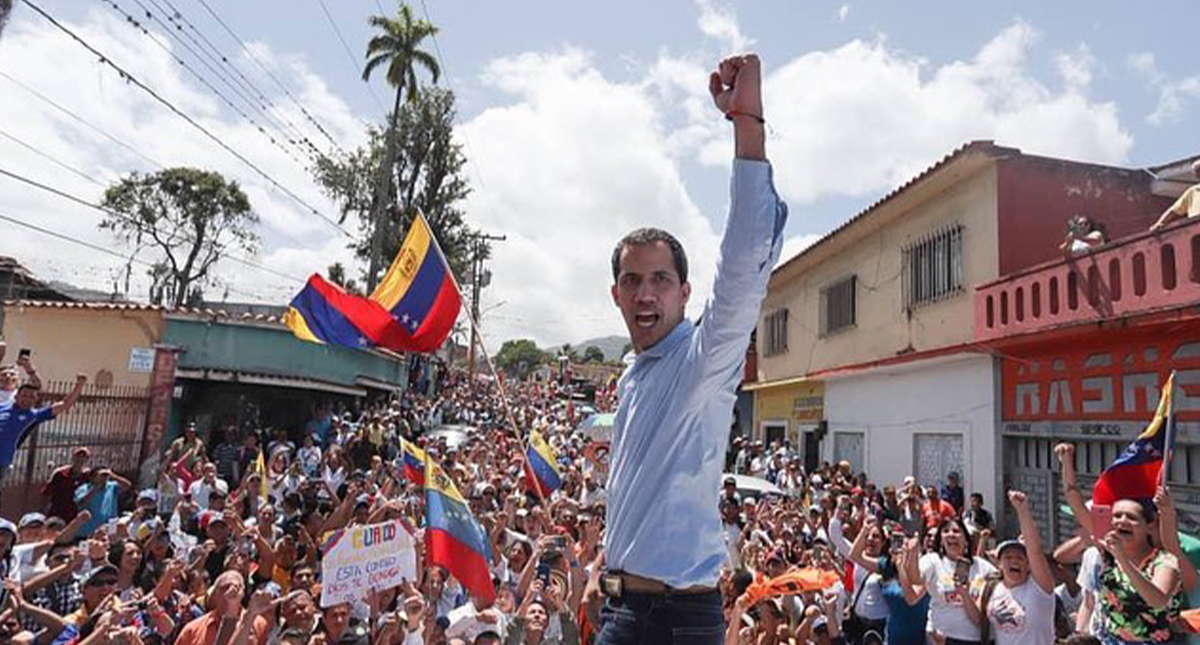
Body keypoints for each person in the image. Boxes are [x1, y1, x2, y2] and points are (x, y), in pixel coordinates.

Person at [589, 52, 787, 645]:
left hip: (676, 622)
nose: (645, 294)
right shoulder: (633, 375)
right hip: (621, 610)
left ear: (685, 293)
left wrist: (746, 125)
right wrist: (602, 569)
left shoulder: (702, 362)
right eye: (632, 280)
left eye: (660, 280)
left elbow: (742, 269)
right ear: (616, 294)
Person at [904, 516, 997, 645]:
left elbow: (1002, 583)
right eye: (946, 531)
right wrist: (912, 554)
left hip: (977, 640)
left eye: (956, 531)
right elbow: (915, 579)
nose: (951, 535)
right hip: (943, 639)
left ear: (966, 540)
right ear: (941, 540)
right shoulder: (933, 561)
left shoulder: (982, 566)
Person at [980, 491, 1057, 645]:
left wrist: (1023, 510)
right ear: (999, 564)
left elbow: (1034, 549)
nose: (1014, 561)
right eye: (1008, 558)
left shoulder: (1039, 588)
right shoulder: (993, 588)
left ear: (1029, 565)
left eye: (1020, 558)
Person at [0, 375, 86, 481]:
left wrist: (79, 385)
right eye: (24, 395)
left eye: (32, 397)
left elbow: (65, 404)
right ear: (16, 396)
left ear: (36, 400)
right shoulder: (2, 406)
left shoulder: (34, 415)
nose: (27, 399)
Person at [41, 448, 91, 521]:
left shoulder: (86, 477)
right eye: (78, 456)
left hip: (74, 514)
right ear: (73, 457)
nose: (80, 459)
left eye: (84, 457)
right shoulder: (60, 473)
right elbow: (47, 492)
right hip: (57, 511)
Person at [1150, 159, 1200, 231]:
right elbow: (1173, 210)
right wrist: (1159, 223)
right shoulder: (1193, 191)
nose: (1199, 173)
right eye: (1197, 171)